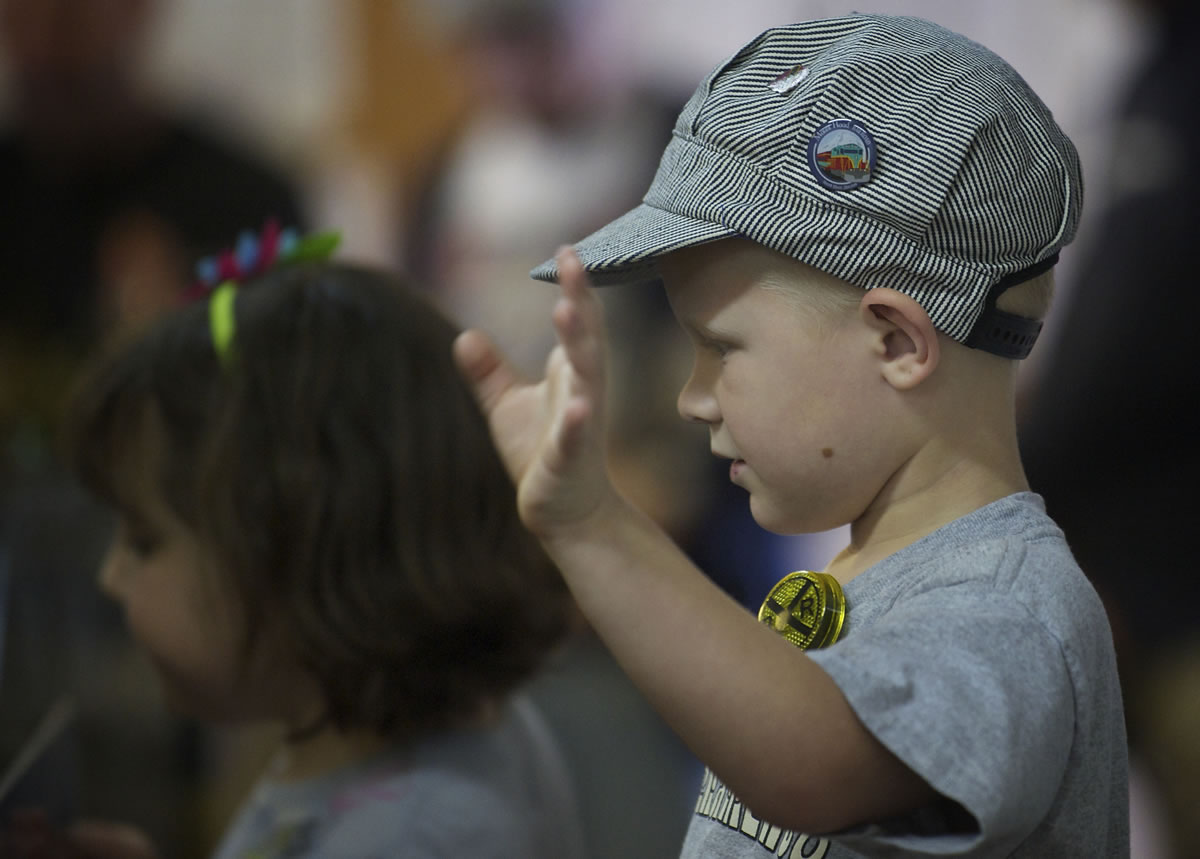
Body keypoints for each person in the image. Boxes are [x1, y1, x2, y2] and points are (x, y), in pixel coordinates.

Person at [453, 13, 1128, 858]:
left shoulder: (1009, 608)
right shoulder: (870, 574)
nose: (692, 400)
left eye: (721, 348)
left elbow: (816, 768)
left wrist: (593, 525)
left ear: (897, 344)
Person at [4, 227, 587, 858]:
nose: (110, 576)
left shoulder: (414, 838)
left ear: (299, 553)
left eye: (144, 541)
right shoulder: (412, 743)